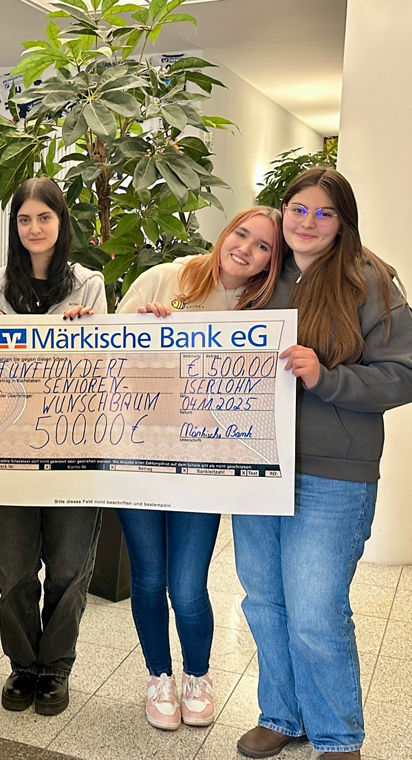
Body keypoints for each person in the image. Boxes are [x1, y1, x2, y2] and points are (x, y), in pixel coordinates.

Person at [232, 168, 412, 760]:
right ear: (282, 214)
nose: (307, 223)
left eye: (323, 213)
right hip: (254, 464)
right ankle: (282, 715)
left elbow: (408, 375)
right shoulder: (262, 279)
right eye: (297, 209)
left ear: (344, 221)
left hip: (332, 474)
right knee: (265, 601)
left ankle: (337, 731)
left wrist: (328, 377)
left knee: (315, 607)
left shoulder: (370, 282)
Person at [115, 206, 283, 731]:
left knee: (187, 584)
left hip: (202, 464)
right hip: (138, 453)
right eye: (242, 234)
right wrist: (136, 330)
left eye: (263, 247)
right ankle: (158, 676)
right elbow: (99, 355)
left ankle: (197, 675)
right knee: (147, 578)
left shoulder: (264, 307)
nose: (246, 250)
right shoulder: (167, 277)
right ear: (224, 232)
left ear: (272, 262)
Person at [0, 177, 105, 716]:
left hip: (74, 447)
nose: (34, 228)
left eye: (44, 218)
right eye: (24, 219)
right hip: (9, 448)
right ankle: (22, 664)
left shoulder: (89, 284)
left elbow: (103, 366)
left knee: (72, 564)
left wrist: (86, 329)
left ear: (61, 223)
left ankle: (56, 665)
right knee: (14, 568)